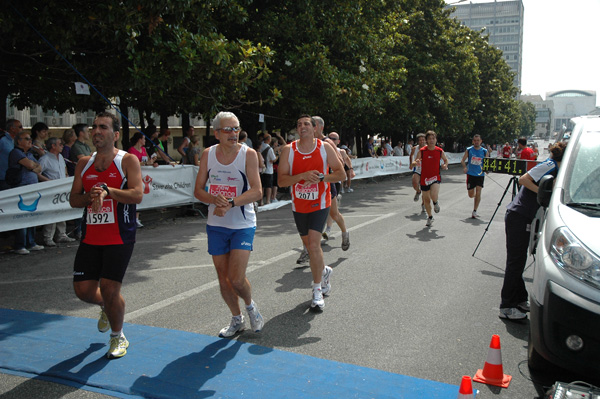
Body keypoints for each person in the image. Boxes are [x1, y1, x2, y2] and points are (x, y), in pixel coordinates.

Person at [69, 112, 143, 359]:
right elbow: (73, 200)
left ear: (116, 134)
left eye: (103, 127)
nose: (97, 131)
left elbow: (137, 195)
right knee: (83, 291)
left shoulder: (127, 161)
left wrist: (108, 191)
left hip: (119, 237)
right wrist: (89, 197)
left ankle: (117, 336)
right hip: (91, 237)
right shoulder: (83, 163)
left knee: (110, 289)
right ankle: (105, 306)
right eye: (94, 127)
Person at [193, 111, 264, 337]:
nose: (234, 134)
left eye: (236, 128)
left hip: (242, 223)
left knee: (236, 278)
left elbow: (257, 191)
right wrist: (214, 199)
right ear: (216, 134)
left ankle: (251, 307)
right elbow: (198, 191)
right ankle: (236, 319)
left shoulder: (248, 154)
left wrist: (231, 203)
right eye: (228, 129)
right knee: (223, 278)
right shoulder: (208, 155)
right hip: (216, 224)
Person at [278, 115, 346, 310]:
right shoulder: (288, 150)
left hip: (320, 202)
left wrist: (321, 178)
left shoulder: (324, 148)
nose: (302, 127)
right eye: (299, 124)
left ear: (315, 128)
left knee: (314, 246)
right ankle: (324, 271)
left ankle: (317, 290)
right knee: (308, 244)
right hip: (299, 205)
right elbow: (282, 181)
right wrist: (301, 176)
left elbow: (340, 173)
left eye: (306, 124)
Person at [499, 141, 567, 320]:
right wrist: (543, 194)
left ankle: (519, 298)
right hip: (518, 216)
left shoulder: (560, 170)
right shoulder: (549, 165)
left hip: (528, 218)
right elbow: (523, 179)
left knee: (519, 260)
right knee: (516, 261)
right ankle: (506, 306)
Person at [8, 131, 48, 254]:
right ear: (19, 141)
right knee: (22, 216)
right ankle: (20, 244)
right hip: (22, 188)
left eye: (30, 139)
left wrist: (33, 166)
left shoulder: (29, 153)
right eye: (27, 139)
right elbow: (30, 165)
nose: (30, 141)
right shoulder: (16, 152)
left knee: (32, 216)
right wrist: (33, 166)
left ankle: (31, 242)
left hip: (32, 188)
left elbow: (39, 168)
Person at [40, 137, 76, 246]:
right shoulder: (44, 159)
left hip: (62, 188)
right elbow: (37, 172)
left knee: (62, 211)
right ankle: (48, 237)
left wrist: (66, 177)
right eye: (60, 144)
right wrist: (48, 181)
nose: (62, 146)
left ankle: (62, 235)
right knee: (52, 213)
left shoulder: (60, 156)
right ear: (53, 146)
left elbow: (63, 168)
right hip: (51, 189)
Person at [411, 130, 449, 227]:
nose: (431, 140)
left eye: (433, 138)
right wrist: (417, 162)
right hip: (424, 178)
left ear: (436, 139)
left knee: (433, 194)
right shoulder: (422, 151)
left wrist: (445, 165)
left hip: (435, 177)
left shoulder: (439, 151)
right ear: (426, 141)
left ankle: (436, 203)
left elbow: (445, 160)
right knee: (426, 200)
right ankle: (430, 217)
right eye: (429, 139)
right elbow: (414, 162)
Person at [128, 132, 158, 228]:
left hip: (144, 176)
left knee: (142, 195)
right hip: (135, 175)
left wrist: (153, 163)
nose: (145, 141)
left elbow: (148, 162)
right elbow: (133, 163)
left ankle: (137, 217)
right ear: (139, 140)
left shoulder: (144, 149)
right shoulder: (131, 150)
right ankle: (133, 217)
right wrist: (144, 163)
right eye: (144, 139)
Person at [460, 134, 488, 218]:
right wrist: (465, 167)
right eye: (475, 140)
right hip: (471, 174)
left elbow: (487, 162)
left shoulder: (484, 151)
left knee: (479, 192)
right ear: (473, 141)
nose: (476, 142)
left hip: (480, 175)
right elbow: (462, 160)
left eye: (478, 140)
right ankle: (475, 196)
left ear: (481, 141)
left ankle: (474, 210)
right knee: (471, 194)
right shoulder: (469, 150)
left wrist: (486, 169)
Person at [0, 119, 24, 191]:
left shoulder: (16, 141)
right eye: (20, 127)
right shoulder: (2, 140)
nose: (22, 129)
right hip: (3, 178)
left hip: (16, 178)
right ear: (12, 129)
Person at [410, 133, 426, 212]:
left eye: (423, 140)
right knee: (414, 182)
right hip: (418, 169)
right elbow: (411, 155)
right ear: (418, 141)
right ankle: (418, 191)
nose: (422, 141)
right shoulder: (415, 148)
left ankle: (423, 204)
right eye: (420, 140)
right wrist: (411, 164)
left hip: (426, 170)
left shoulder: (429, 148)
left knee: (425, 189)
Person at [259, 133, 277, 205]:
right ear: (269, 140)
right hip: (268, 169)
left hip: (260, 169)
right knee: (268, 186)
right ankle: (268, 200)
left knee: (262, 186)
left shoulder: (260, 146)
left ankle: (261, 201)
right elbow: (273, 159)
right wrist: (277, 155)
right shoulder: (269, 149)